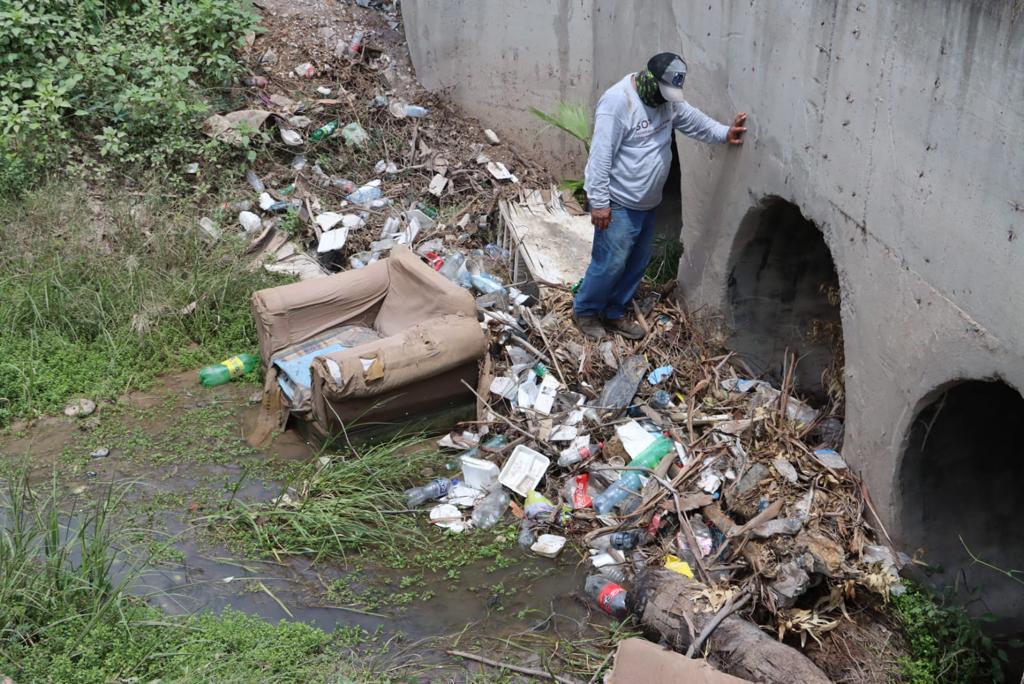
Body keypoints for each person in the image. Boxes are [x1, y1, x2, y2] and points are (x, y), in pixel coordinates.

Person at [573, 52, 747, 340]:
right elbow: (600, 156)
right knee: (611, 261)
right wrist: (600, 202)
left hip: (647, 203)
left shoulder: (668, 102)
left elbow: (693, 120)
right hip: (618, 203)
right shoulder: (618, 102)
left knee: (636, 263)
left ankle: (614, 312)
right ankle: (586, 311)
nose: (667, 99)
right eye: (663, 92)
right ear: (649, 80)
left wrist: (724, 133)